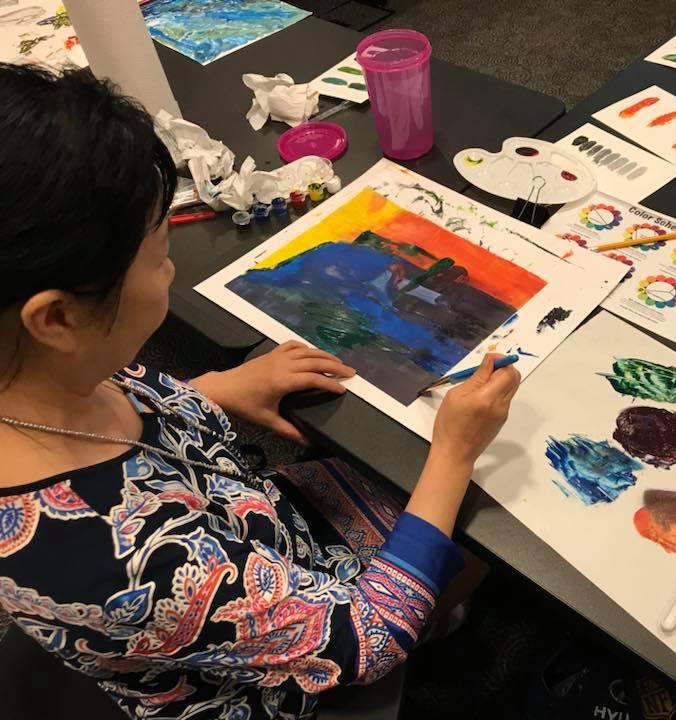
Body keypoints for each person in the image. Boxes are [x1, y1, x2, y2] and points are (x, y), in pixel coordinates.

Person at [0, 64, 521, 719]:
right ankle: (451, 635)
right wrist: (454, 452)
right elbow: (365, 636)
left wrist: (213, 389)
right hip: (271, 670)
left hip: (252, 535)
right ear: (57, 319)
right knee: (486, 524)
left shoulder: (35, 378)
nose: (170, 270)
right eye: (159, 255)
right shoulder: (122, 562)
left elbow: (122, 419)